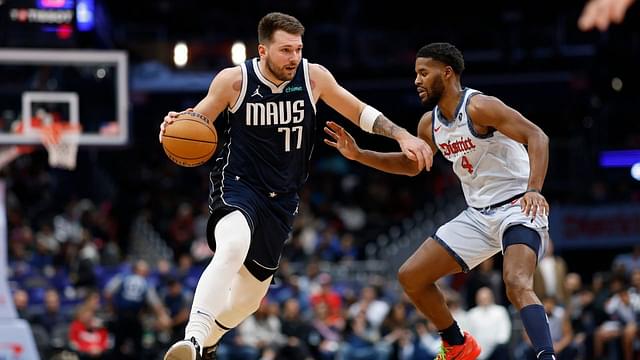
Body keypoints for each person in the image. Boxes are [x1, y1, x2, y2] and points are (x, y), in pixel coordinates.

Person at [159, 12, 432, 360]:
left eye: (298, 49)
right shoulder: (234, 81)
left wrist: (402, 134)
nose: (294, 58)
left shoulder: (313, 77)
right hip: (239, 185)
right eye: (285, 50)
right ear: (262, 50)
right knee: (232, 246)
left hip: (283, 198)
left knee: (249, 299)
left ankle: (210, 339)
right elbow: (193, 124)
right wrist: (172, 128)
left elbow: (361, 112)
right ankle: (194, 339)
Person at [324, 42, 554, 359]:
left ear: (446, 73)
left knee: (515, 282)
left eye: (423, 72)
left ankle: (546, 355)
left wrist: (534, 188)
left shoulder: (480, 107)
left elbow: (537, 136)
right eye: (415, 74)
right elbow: (410, 165)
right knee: (411, 276)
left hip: (518, 204)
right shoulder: (428, 124)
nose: (416, 80)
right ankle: (457, 343)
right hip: (477, 214)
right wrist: (359, 155)